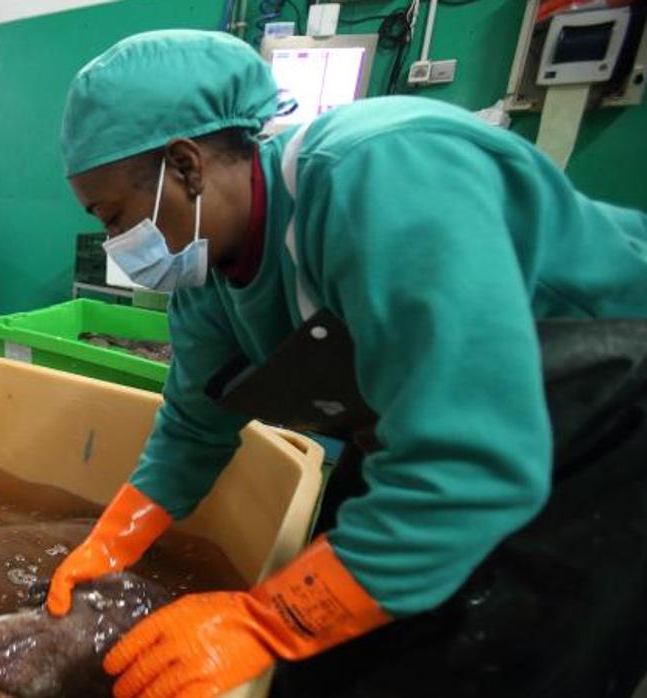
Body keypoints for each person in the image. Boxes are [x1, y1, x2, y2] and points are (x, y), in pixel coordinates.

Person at [46, 29, 647, 698]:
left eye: (113, 215)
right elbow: (194, 426)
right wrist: (111, 543)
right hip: (435, 426)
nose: (116, 242)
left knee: (509, 656)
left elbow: (467, 459)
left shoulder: (379, 172)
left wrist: (264, 621)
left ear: (185, 166)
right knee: (337, 654)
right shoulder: (209, 279)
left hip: (606, 411)